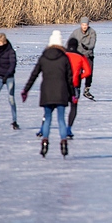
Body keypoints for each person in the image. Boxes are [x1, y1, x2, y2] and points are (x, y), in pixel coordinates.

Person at [22, 30, 75, 158]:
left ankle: (45, 141)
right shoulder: (64, 58)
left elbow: (34, 75)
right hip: (61, 92)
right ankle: (63, 142)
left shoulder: (43, 57)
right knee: (61, 120)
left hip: (47, 93)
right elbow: (69, 78)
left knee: (47, 119)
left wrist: (26, 90)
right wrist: (73, 94)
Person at [64, 39, 92, 137]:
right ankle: (69, 128)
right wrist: (79, 77)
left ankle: (44, 127)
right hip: (75, 86)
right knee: (73, 107)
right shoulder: (80, 56)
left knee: (57, 106)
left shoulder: (63, 55)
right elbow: (88, 71)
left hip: (63, 86)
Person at [69, 17, 96, 100]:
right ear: (81, 25)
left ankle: (87, 89)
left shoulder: (92, 32)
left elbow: (92, 44)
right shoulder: (76, 32)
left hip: (88, 55)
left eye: (86, 25)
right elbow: (70, 42)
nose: (84, 26)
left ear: (88, 25)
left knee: (89, 72)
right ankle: (77, 89)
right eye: (83, 25)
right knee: (78, 72)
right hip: (79, 56)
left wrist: (86, 47)